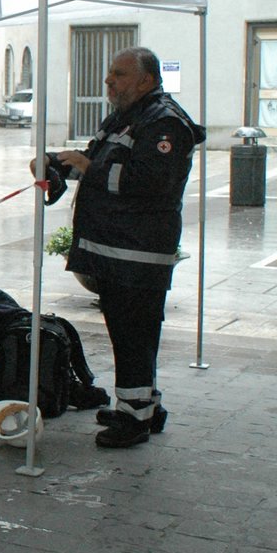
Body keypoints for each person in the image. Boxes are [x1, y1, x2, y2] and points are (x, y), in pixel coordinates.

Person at [40, 46, 203, 448]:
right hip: (116, 251)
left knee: (134, 335)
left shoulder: (165, 123)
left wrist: (85, 166)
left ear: (146, 80)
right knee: (129, 335)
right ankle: (143, 406)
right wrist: (58, 163)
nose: (109, 81)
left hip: (137, 255)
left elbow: (148, 182)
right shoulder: (128, 117)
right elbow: (97, 157)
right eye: (110, 73)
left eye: (119, 74)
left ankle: (134, 422)